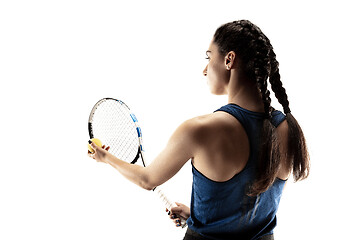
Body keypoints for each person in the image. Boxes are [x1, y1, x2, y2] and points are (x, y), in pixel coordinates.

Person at [88, 20, 310, 240]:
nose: (205, 70)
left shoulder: (200, 130)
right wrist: (196, 217)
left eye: (208, 57)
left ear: (229, 59)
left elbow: (148, 179)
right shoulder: (287, 127)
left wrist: (106, 157)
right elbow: (253, 210)